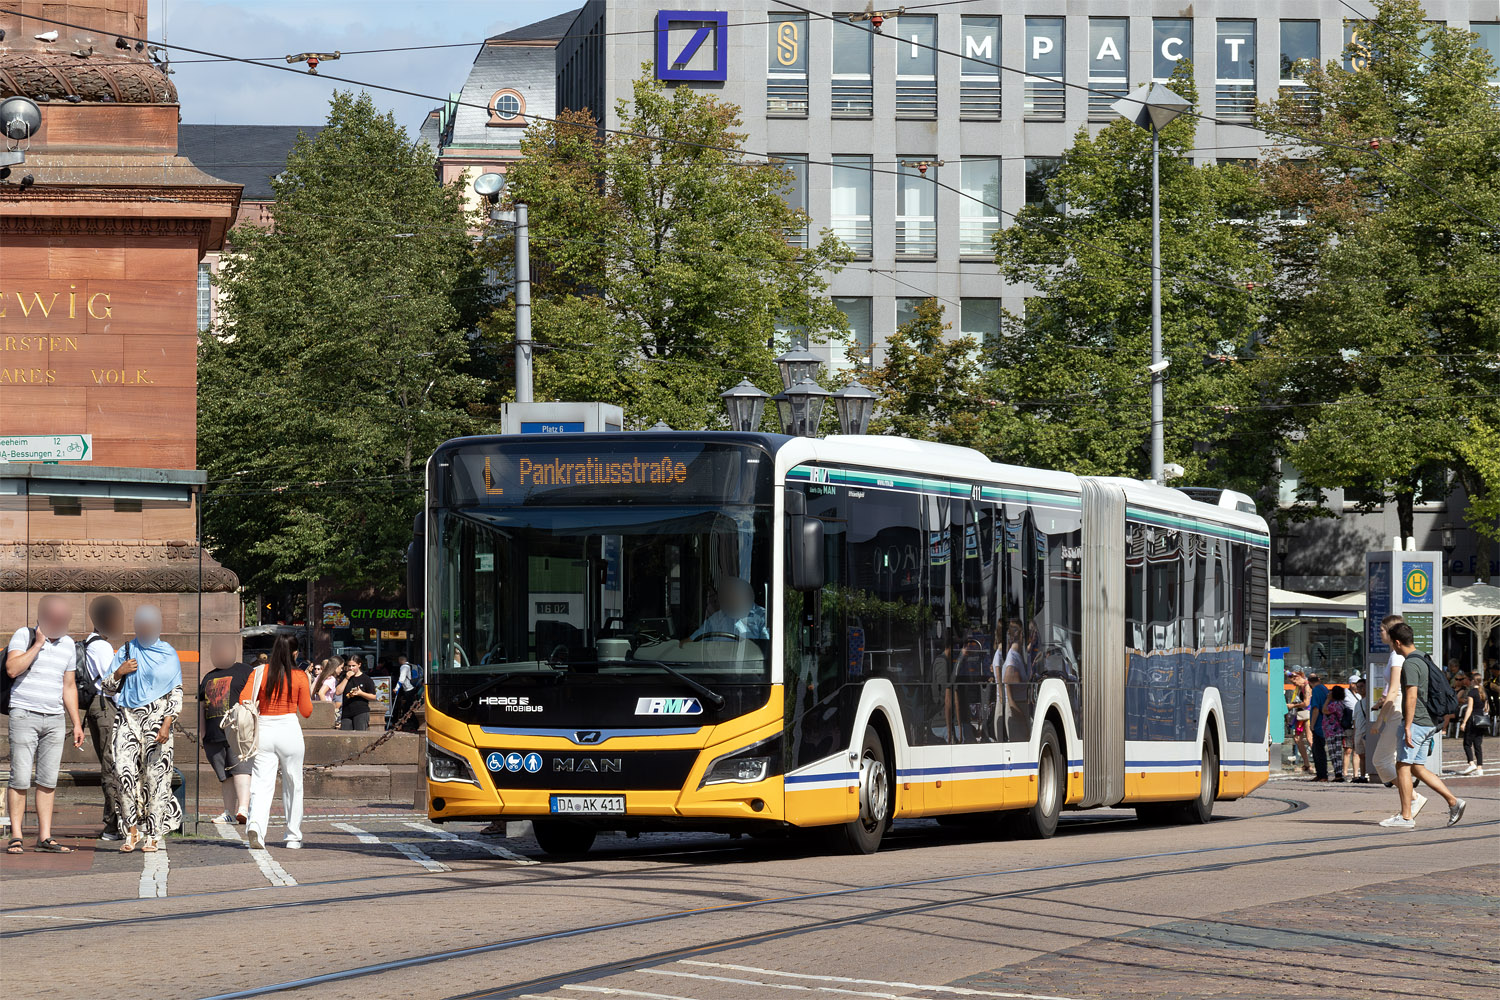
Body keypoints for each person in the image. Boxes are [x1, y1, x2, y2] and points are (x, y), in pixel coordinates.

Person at [5, 596, 84, 854]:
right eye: (58, 618)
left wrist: (76, 723)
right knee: (20, 777)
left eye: (65, 619)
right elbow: (12, 669)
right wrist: (38, 644)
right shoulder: (23, 635)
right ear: (44, 616)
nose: (62, 623)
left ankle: (45, 836)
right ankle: (16, 835)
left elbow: (68, 685)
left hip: (54, 718)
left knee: (48, 779)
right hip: (24, 713)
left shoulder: (69, 644)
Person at [102, 606, 184, 853]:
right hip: (127, 717)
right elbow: (107, 686)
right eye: (142, 625)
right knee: (123, 773)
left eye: (150, 625)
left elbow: (176, 692)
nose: (146, 629)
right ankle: (130, 830)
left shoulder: (168, 653)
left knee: (156, 777)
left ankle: (155, 833)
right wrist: (119, 671)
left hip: (157, 719)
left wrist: (167, 723)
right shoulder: (127, 650)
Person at [1378, 622, 1464, 830]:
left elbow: (1412, 695)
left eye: (1392, 643)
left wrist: (1407, 726)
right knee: (1417, 767)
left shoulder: (1410, 664)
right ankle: (1454, 802)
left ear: (1397, 642)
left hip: (1417, 722)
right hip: (1429, 722)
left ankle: (1406, 817)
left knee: (1402, 767)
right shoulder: (1423, 657)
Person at [240, 634, 312, 850]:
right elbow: (307, 711)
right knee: (293, 784)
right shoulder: (300, 676)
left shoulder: (259, 672)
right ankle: (292, 836)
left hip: (265, 728)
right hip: (289, 728)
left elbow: (244, 698)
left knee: (261, 784)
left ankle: (256, 826)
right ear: (295, 653)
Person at [79, 596, 126, 840]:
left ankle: (116, 822)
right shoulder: (102, 647)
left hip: (99, 708)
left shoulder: (91, 643)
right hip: (107, 708)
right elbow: (112, 684)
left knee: (112, 764)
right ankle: (113, 824)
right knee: (113, 765)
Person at [199, 637, 253, 824]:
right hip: (213, 734)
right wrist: (202, 731)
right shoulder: (208, 677)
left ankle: (244, 809)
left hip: (238, 730)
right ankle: (229, 811)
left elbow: (255, 697)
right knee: (225, 776)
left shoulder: (245, 671)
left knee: (241, 770)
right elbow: (201, 705)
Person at [686, 577, 768, 641]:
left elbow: (767, 649)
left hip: (750, 662)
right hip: (717, 661)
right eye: (730, 594)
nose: (732, 597)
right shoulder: (717, 618)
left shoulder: (763, 617)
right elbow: (692, 641)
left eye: (737, 593)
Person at [336, 654, 377, 731]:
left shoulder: (366, 679)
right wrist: (347, 678)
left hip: (361, 711)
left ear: (359, 665)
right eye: (349, 666)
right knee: (345, 736)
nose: (351, 668)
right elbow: (338, 692)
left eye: (353, 666)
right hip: (346, 712)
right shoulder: (344, 677)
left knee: (360, 735)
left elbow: (373, 696)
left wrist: (361, 693)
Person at [1457, 670, 1486, 776]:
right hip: (1481, 721)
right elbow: (1486, 708)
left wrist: (1464, 722)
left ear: (1473, 681)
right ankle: (1480, 768)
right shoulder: (1483, 692)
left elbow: (1469, 708)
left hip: (1472, 720)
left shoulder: (1472, 693)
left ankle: (1471, 763)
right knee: (1478, 744)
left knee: (1467, 743)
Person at [1286, 670, 1313, 774]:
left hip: (1307, 714)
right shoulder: (1299, 687)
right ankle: (1306, 764)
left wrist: (1293, 706)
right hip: (1301, 715)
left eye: (1293, 682)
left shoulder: (1306, 687)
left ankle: (1319, 763)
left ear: (1297, 678)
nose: (1293, 684)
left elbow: (1306, 703)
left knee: (1310, 739)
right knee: (1297, 738)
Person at [1320, 685, 1348, 781]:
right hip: (1339, 730)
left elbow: (1324, 710)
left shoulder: (1333, 704)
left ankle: (1338, 773)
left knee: (1333, 753)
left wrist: (1327, 699)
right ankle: (1339, 773)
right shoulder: (1341, 704)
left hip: (1331, 731)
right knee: (1338, 752)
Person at [1307, 672, 1329, 781]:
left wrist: (1312, 725)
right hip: (1325, 723)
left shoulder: (1315, 690)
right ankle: (1321, 774)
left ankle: (1322, 775)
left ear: (1309, 683)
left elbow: (1315, 708)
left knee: (1318, 750)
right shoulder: (1324, 688)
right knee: (1319, 749)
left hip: (1319, 724)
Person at [1348, 674, 1370, 782]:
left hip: (1367, 731)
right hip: (1359, 733)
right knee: (1361, 754)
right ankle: (1362, 776)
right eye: (1358, 687)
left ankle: (1371, 774)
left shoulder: (1370, 701)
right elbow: (1355, 720)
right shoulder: (1357, 704)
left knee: (1369, 754)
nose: (1360, 689)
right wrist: (1354, 734)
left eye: (1362, 686)